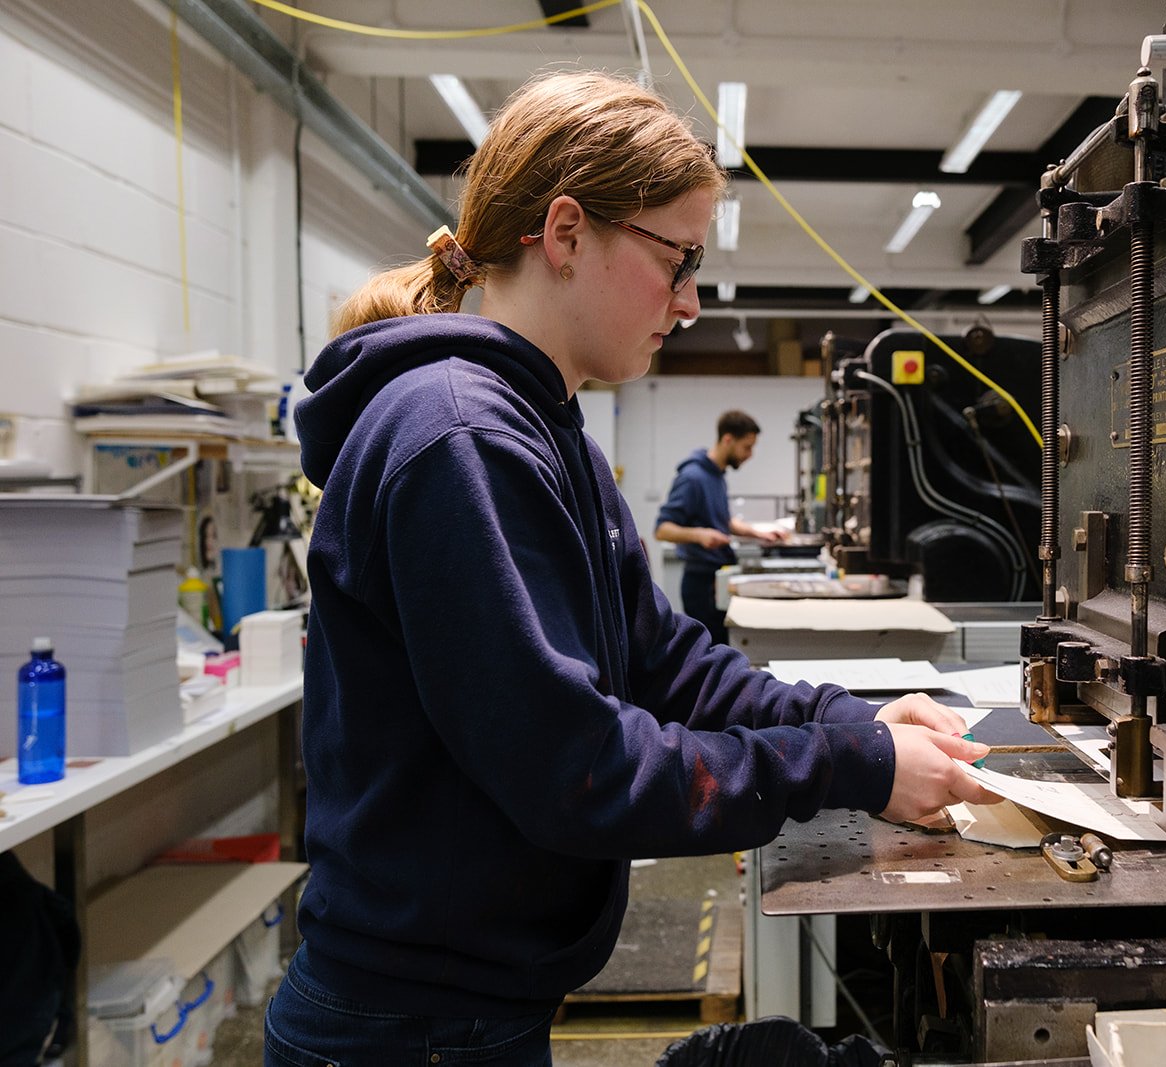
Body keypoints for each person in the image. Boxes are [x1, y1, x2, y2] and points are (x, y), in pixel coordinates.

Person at [265, 70, 997, 1067]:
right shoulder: (462, 437)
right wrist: (848, 766)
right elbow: (581, 770)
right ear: (566, 231)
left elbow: (668, 667)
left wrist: (853, 720)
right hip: (411, 1027)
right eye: (677, 260)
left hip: (469, 1003)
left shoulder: (544, 427)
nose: (690, 302)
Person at [655, 409, 785, 644]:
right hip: (701, 583)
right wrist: (699, 535)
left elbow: (722, 519)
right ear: (727, 439)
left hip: (718, 577)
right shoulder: (693, 477)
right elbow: (662, 528)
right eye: (747, 447)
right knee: (715, 652)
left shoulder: (716, 475)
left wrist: (756, 533)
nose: (750, 455)